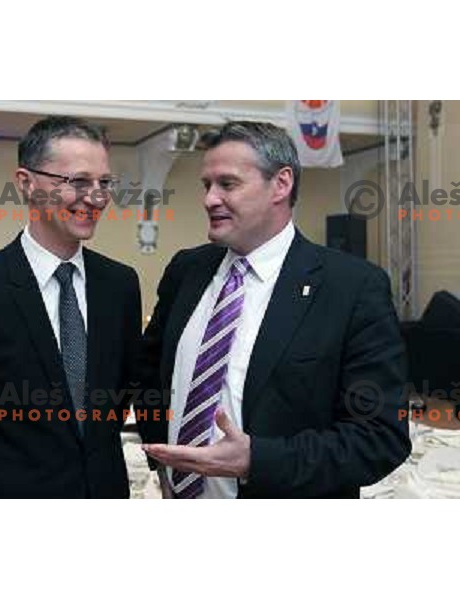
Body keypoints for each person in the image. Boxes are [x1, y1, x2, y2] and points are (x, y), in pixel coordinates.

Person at [141, 121, 411, 499]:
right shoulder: (187, 270)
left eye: (228, 184)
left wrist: (257, 460)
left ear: (281, 185)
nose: (209, 199)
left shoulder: (351, 288)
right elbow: (149, 376)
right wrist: (164, 463)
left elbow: (380, 438)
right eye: (207, 185)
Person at [0, 116, 142, 498]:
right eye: (78, 182)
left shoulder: (119, 285)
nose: (96, 197)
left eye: (104, 183)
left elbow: (115, 398)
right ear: (26, 182)